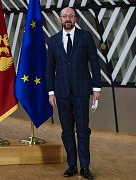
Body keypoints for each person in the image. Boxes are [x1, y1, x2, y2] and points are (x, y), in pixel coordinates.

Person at [46, 7, 101, 179]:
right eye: (64, 16)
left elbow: (95, 62)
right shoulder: (53, 40)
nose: (67, 19)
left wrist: (97, 88)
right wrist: (50, 92)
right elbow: (50, 68)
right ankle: (72, 165)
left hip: (82, 90)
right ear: (60, 19)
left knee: (83, 130)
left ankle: (85, 167)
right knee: (67, 131)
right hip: (61, 92)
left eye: (70, 16)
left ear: (75, 18)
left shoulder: (85, 37)